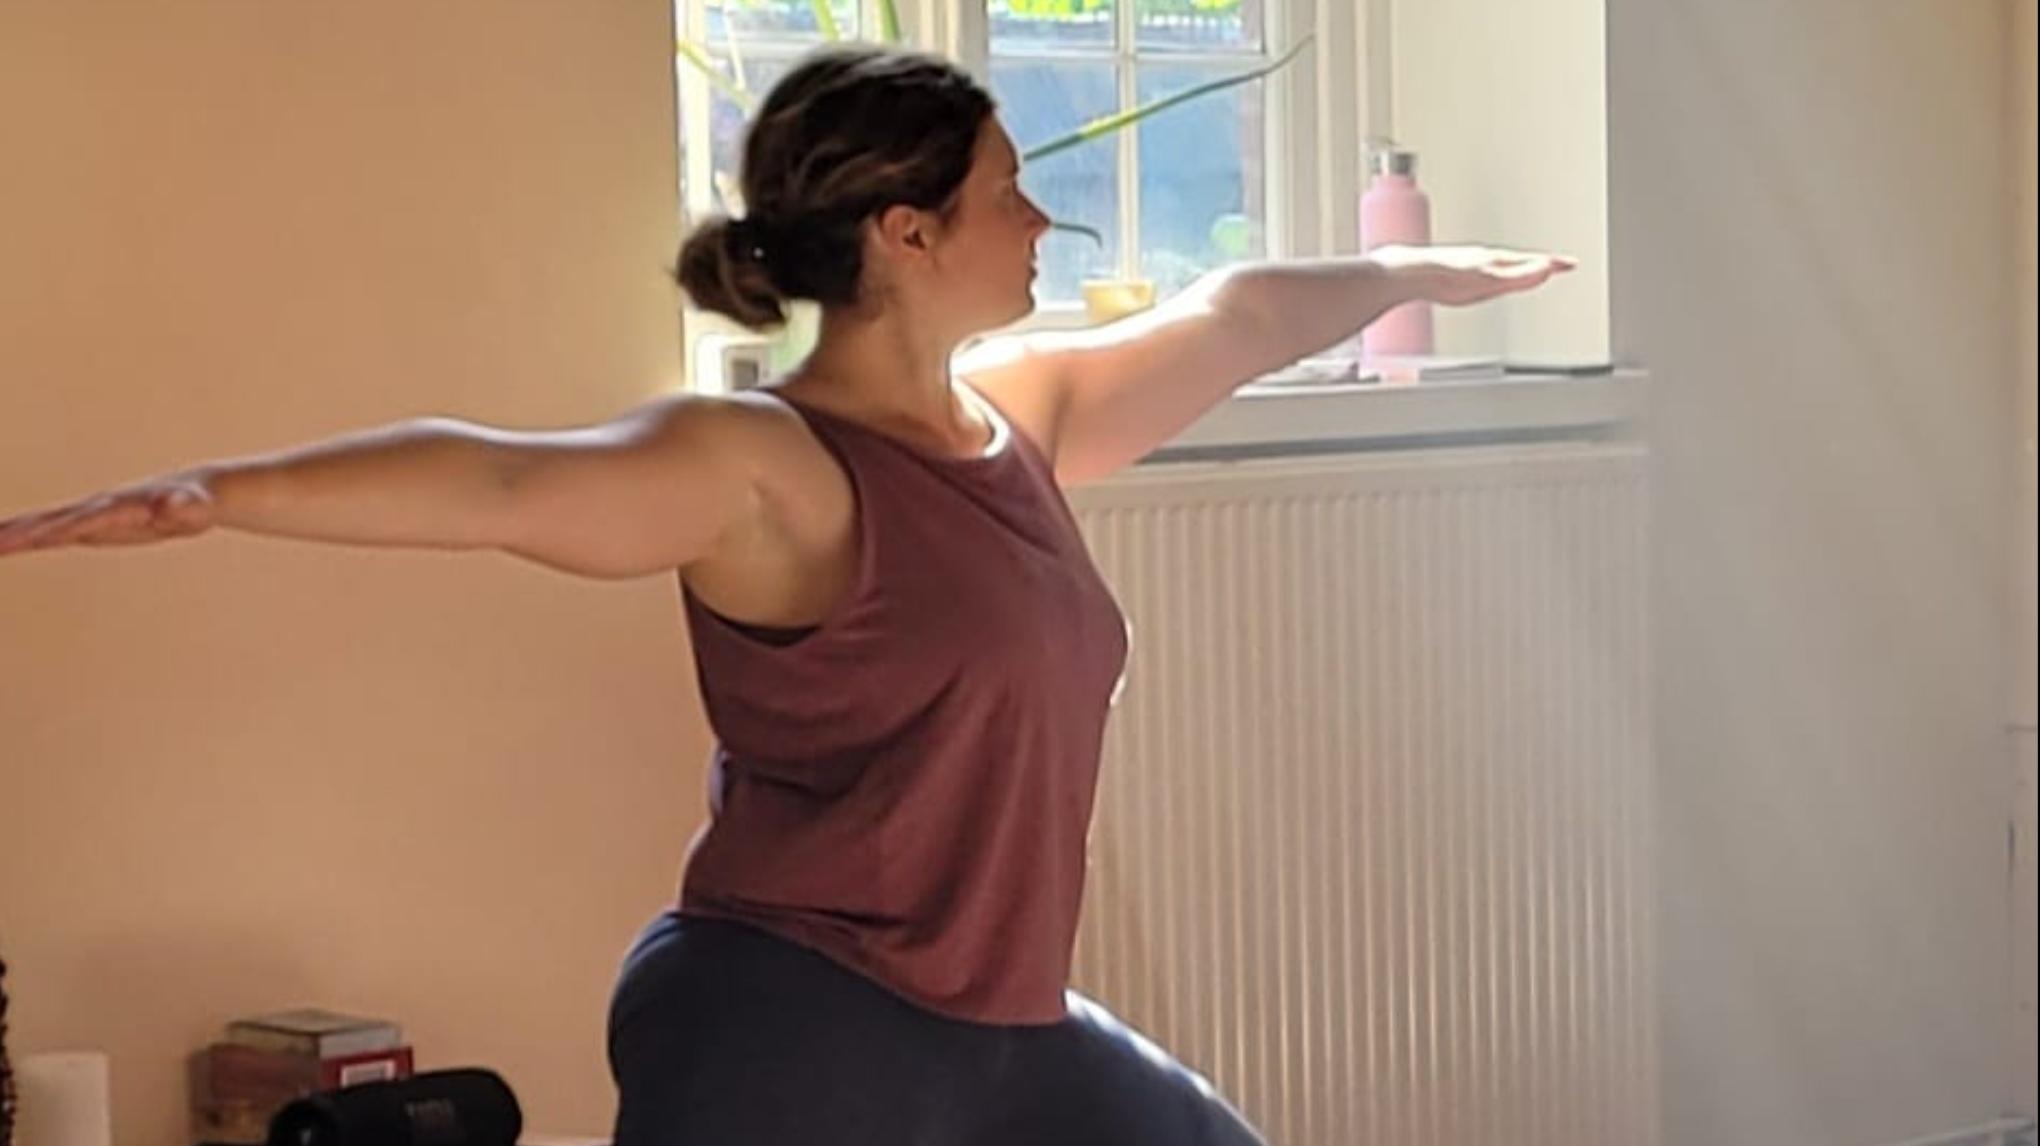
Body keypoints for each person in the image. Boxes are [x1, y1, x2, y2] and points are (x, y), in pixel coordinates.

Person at [0, 42, 1572, 1146]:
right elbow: (501, 484)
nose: (1042, 220)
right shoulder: (770, 466)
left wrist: (1411, 276)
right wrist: (218, 494)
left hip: (1005, 1026)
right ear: (907, 231)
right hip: (793, 1009)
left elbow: (1233, 313)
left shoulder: (1019, 419)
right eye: (1009, 191)